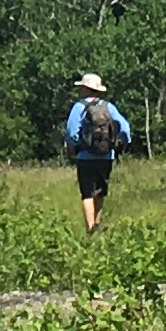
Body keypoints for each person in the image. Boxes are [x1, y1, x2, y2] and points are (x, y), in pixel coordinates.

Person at [57, 71, 135, 231]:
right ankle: (97, 225)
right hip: (106, 156)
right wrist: (118, 145)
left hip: (85, 156)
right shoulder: (108, 107)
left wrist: (76, 146)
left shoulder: (79, 107)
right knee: (100, 192)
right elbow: (125, 129)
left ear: (85, 88)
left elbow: (71, 133)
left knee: (87, 193)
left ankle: (90, 228)